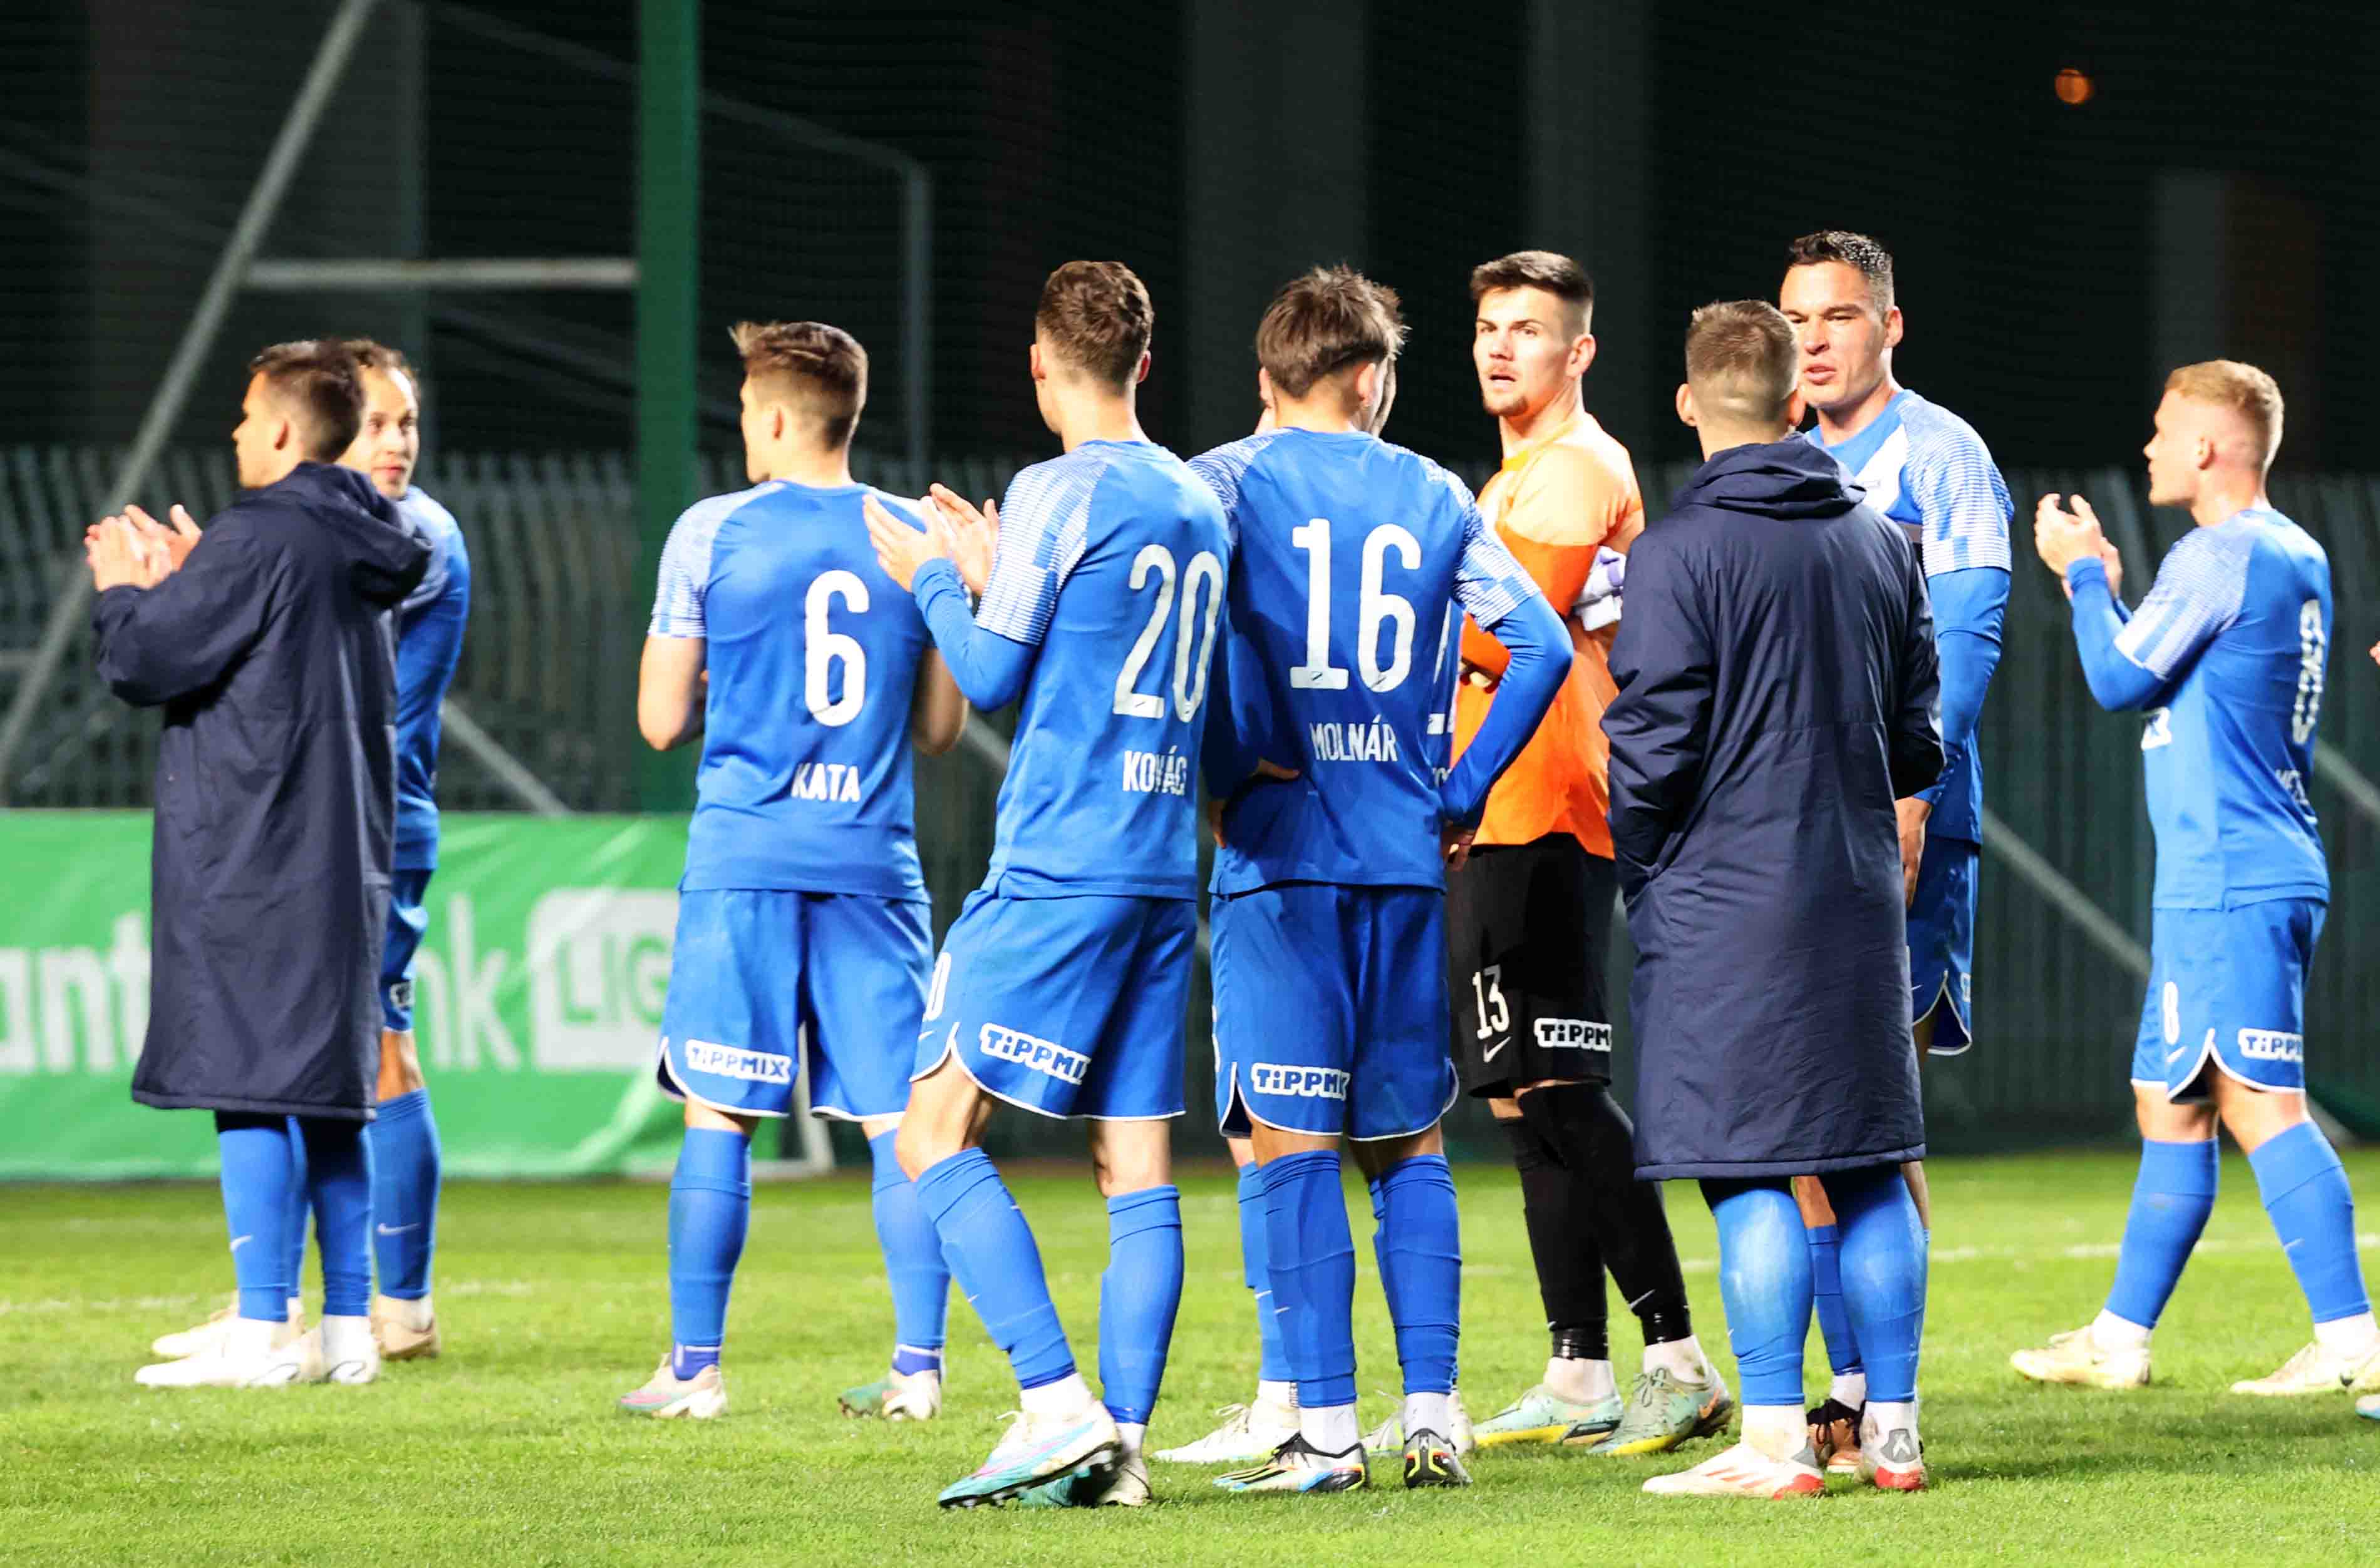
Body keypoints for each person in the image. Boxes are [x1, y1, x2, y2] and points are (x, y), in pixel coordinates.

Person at [1195, 266, 1569, 1495]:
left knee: (1291, 1145)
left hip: (1282, 862)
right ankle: (1434, 1411)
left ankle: (1321, 1435)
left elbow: (1202, 654)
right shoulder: (1437, 490)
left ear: (1269, 380)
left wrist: (1227, 767)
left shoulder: (1225, 484)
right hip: (1404, 856)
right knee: (1407, 1143)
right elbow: (1542, 647)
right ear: (1376, 380)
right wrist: (1457, 789)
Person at [864, 260, 1225, 1509]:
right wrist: (997, 559)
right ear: (1145, 359)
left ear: (1037, 364)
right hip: (1159, 867)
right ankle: (1116, 1455)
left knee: (929, 1130)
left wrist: (935, 574)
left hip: (1060, 867)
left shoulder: (1056, 492)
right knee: (1138, 1161)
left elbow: (991, 672)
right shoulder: (1195, 496)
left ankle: (1054, 1404)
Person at [1606, 302, 1939, 1498]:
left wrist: (1643, 862)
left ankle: (1769, 1445)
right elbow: (1919, 743)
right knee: (1867, 1160)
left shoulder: (1677, 549)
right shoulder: (1882, 543)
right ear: (1798, 400)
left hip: (1722, 906)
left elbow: (1650, 750)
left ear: (1693, 405)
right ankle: (1892, 1430)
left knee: (1748, 1166)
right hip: (1854, 898)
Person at [618, 321, 967, 1421]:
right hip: (872, 865)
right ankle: (918, 1372)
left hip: (747, 861)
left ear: (771, 416)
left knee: (718, 1115)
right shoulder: (912, 533)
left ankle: (696, 1369)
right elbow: (940, 728)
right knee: (895, 1128)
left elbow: (660, 719)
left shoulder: (710, 533)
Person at [2015, 361, 2377, 1402]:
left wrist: (2084, 574)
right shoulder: (2293, 549)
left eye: (2165, 431)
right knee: (2168, 1100)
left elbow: (2118, 679)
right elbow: (2178, 665)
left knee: (2261, 1101)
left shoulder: (2217, 553)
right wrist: (2126, 599)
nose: (2149, 449)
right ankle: (2120, 1339)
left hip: (2231, 872)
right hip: (2244, 867)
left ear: (2210, 448)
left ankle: (2357, 1340)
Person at [1445, 249, 1727, 1461]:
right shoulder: (1510, 476)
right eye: (1490, 327)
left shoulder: (1576, 471)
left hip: (1553, 805)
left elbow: (1510, 634)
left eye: (1529, 328)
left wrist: (1390, 616)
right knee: (1519, 1102)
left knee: (1562, 1086)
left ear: (1581, 351)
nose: (1502, 346)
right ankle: (1578, 1368)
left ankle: (1678, 1357)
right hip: (1493, 815)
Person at [108, 341, 430, 1388]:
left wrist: (128, 593)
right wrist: (197, 584)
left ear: (287, 431)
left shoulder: (261, 532)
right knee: (330, 1094)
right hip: (346, 857)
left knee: (246, 1084)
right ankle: (345, 1335)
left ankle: (257, 1335)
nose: (239, 433)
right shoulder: (367, 534)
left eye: (249, 417)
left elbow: (147, 662)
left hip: (252, 849)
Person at [1779, 230, 2009, 1468]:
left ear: (1889, 326)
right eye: (1796, 317)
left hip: (1902, 825)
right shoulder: (1781, 459)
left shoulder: (1940, 455)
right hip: (1797, 831)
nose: (1812, 337)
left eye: (1836, 316)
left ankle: (1894, 1403)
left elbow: (1969, 626)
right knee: (1812, 1124)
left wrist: (1911, 781)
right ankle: (1850, 1387)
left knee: (1880, 1117)